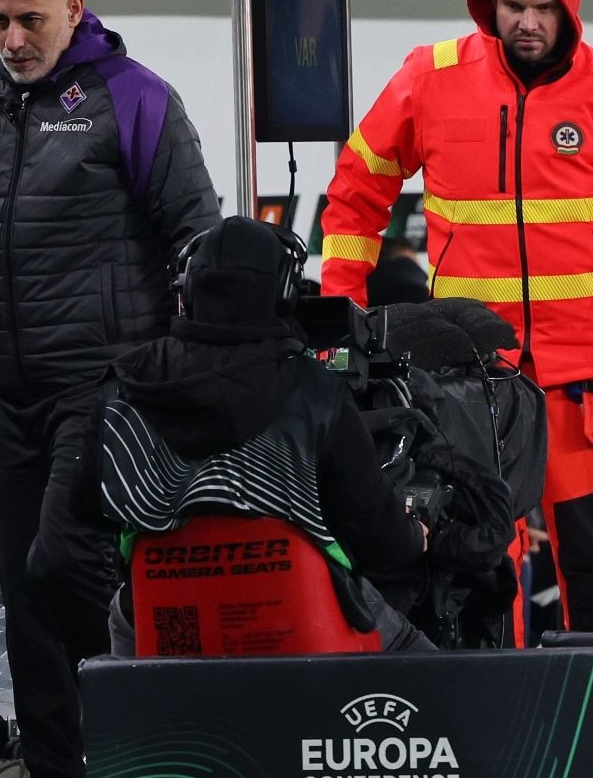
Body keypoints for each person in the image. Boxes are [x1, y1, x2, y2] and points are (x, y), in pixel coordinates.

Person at [319, 0, 593, 634]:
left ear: (568, 11)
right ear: (491, 3)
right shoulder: (430, 76)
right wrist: (344, 320)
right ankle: (491, 705)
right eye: (515, 5)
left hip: (589, 382)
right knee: (477, 569)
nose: (528, 22)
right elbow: (356, 190)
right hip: (469, 379)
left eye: (543, 8)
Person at [0, 0, 220, 778]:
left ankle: (142, 747)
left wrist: (183, 370)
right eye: (0, 20)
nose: (13, 38)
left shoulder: (136, 98)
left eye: (30, 19)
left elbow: (196, 237)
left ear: (74, 11)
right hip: (12, 394)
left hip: (106, 386)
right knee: (24, 585)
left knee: (64, 563)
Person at [90, 217, 431, 656]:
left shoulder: (123, 386)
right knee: (433, 676)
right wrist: (416, 533)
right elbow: (383, 543)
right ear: (285, 293)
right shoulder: (315, 390)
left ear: (187, 289)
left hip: (161, 629)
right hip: (304, 630)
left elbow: (65, 540)